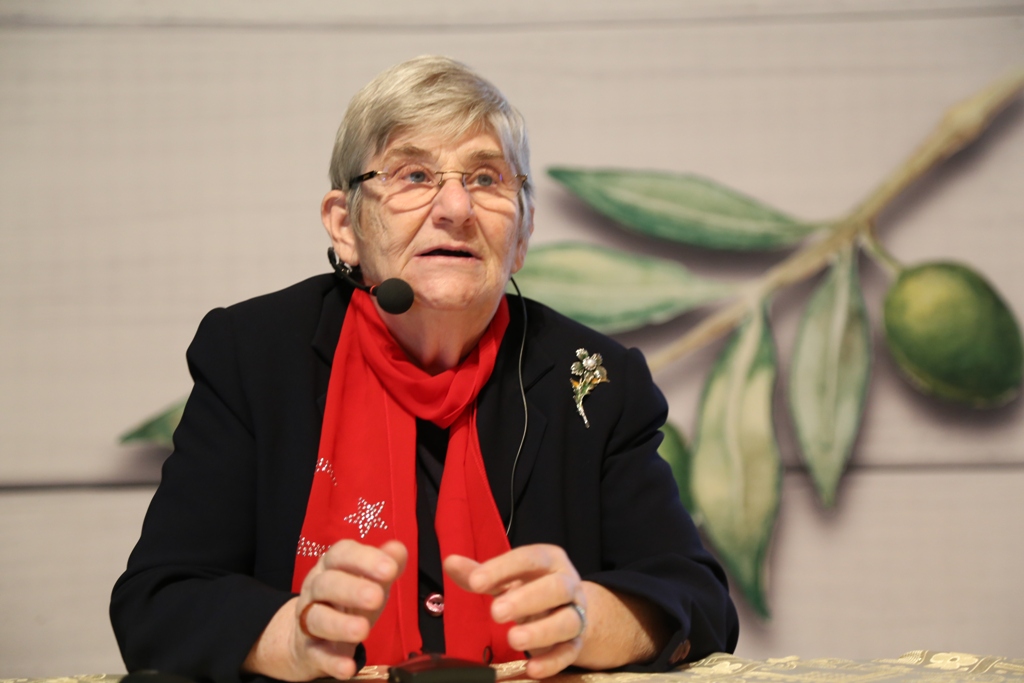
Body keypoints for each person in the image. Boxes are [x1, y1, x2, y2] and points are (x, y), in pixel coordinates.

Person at [110, 55, 738, 682]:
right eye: (414, 175)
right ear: (346, 225)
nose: (457, 207)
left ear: (522, 233)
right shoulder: (255, 356)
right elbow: (158, 603)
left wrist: (586, 619)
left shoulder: (595, 380)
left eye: (487, 178)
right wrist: (292, 638)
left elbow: (698, 601)